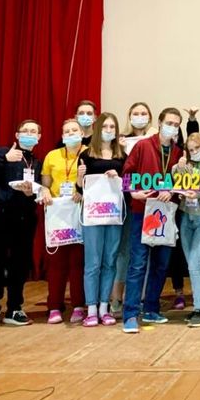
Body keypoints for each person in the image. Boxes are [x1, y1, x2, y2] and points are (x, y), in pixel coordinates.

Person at [0, 120, 44, 329]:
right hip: (1, 216)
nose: (29, 134)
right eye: (25, 131)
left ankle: (15, 307)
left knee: (20, 264)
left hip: (25, 218)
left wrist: (32, 193)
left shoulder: (37, 162)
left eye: (33, 132)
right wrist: (4, 159)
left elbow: (40, 191)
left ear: (39, 137)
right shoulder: (3, 153)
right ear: (17, 134)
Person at [121, 107, 184, 333]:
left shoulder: (178, 152)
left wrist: (172, 191)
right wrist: (133, 192)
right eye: (169, 123)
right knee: (138, 263)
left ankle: (151, 309)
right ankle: (130, 314)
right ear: (160, 122)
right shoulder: (143, 146)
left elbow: (181, 182)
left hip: (166, 212)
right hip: (143, 210)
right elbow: (127, 174)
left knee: (161, 264)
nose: (172, 127)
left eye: (176, 125)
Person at [76, 113, 127, 327]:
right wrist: (80, 177)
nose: (108, 130)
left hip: (114, 215)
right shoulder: (87, 154)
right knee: (93, 262)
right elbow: (80, 189)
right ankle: (91, 309)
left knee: (110, 261)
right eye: (105, 126)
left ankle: (105, 308)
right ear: (98, 129)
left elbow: (128, 185)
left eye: (112, 127)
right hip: (92, 215)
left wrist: (119, 178)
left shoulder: (122, 155)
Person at [110, 102, 156, 315]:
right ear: (129, 116)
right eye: (135, 113)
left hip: (150, 202)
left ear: (150, 117)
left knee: (146, 251)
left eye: (143, 113)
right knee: (124, 251)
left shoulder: (155, 140)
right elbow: (120, 171)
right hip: (125, 201)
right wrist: (118, 149)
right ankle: (117, 297)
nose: (139, 116)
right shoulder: (121, 140)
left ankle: (140, 297)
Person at [40, 119, 86, 324]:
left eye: (75, 130)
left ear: (82, 133)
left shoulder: (89, 153)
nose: (71, 134)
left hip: (80, 211)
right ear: (62, 135)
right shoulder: (52, 155)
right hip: (57, 213)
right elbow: (46, 184)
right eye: (67, 131)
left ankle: (78, 305)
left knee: (78, 261)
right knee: (56, 262)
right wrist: (45, 191)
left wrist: (82, 191)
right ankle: (54, 306)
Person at [172, 133, 200, 327]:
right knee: (192, 264)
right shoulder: (188, 166)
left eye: (197, 148)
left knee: (195, 264)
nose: (194, 152)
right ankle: (198, 306)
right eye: (190, 150)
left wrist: (198, 194)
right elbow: (176, 183)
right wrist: (180, 168)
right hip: (186, 217)